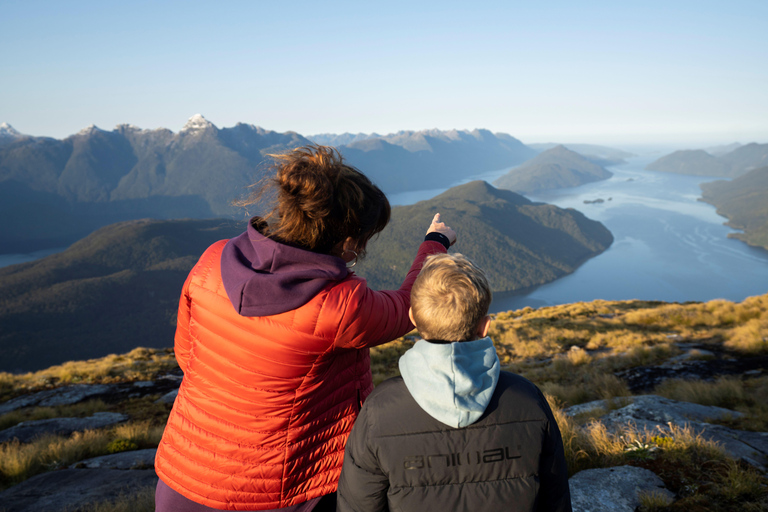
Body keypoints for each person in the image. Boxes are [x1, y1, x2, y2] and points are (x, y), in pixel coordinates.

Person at [154, 145, 457, 511]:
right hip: (280, 492)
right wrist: (435, 243)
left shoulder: (212, 260)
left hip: (182, 478)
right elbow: (412, 306)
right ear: (347, 242)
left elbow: (189, 357)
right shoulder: (339, 305)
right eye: (363, 241)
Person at [337, 253, 572, 512]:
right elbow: (555, 501)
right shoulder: (528, 401)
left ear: (413, 319)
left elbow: (356, 507)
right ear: (485, 327)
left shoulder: (378, 411)